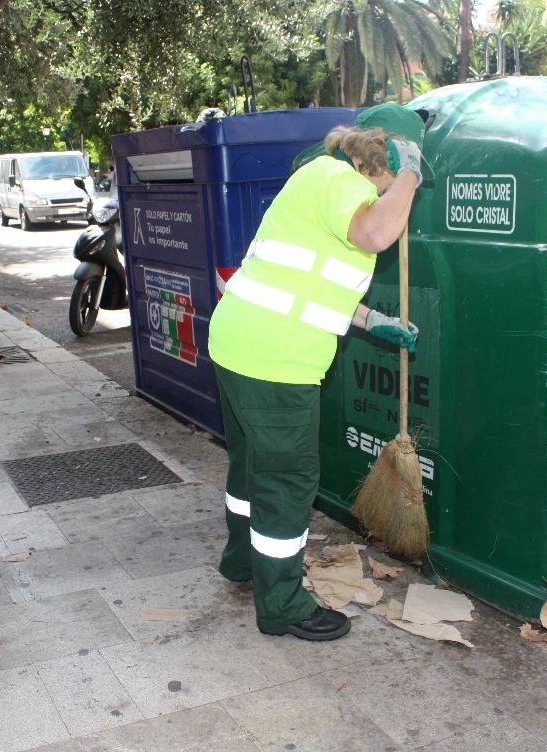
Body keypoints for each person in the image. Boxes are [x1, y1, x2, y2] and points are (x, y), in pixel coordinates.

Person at [207, 103, 429, 641]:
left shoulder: (318, 182)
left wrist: (374, 320)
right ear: (384, 155)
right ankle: (281, 604)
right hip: (275, 361)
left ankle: (243, 561)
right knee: (287, 480)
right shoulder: (339, 180)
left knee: (251, 468)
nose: (389, 194)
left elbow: (310, 281)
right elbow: (376, 234)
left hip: (238, 344)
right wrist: (413, 174)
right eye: (391, 175)